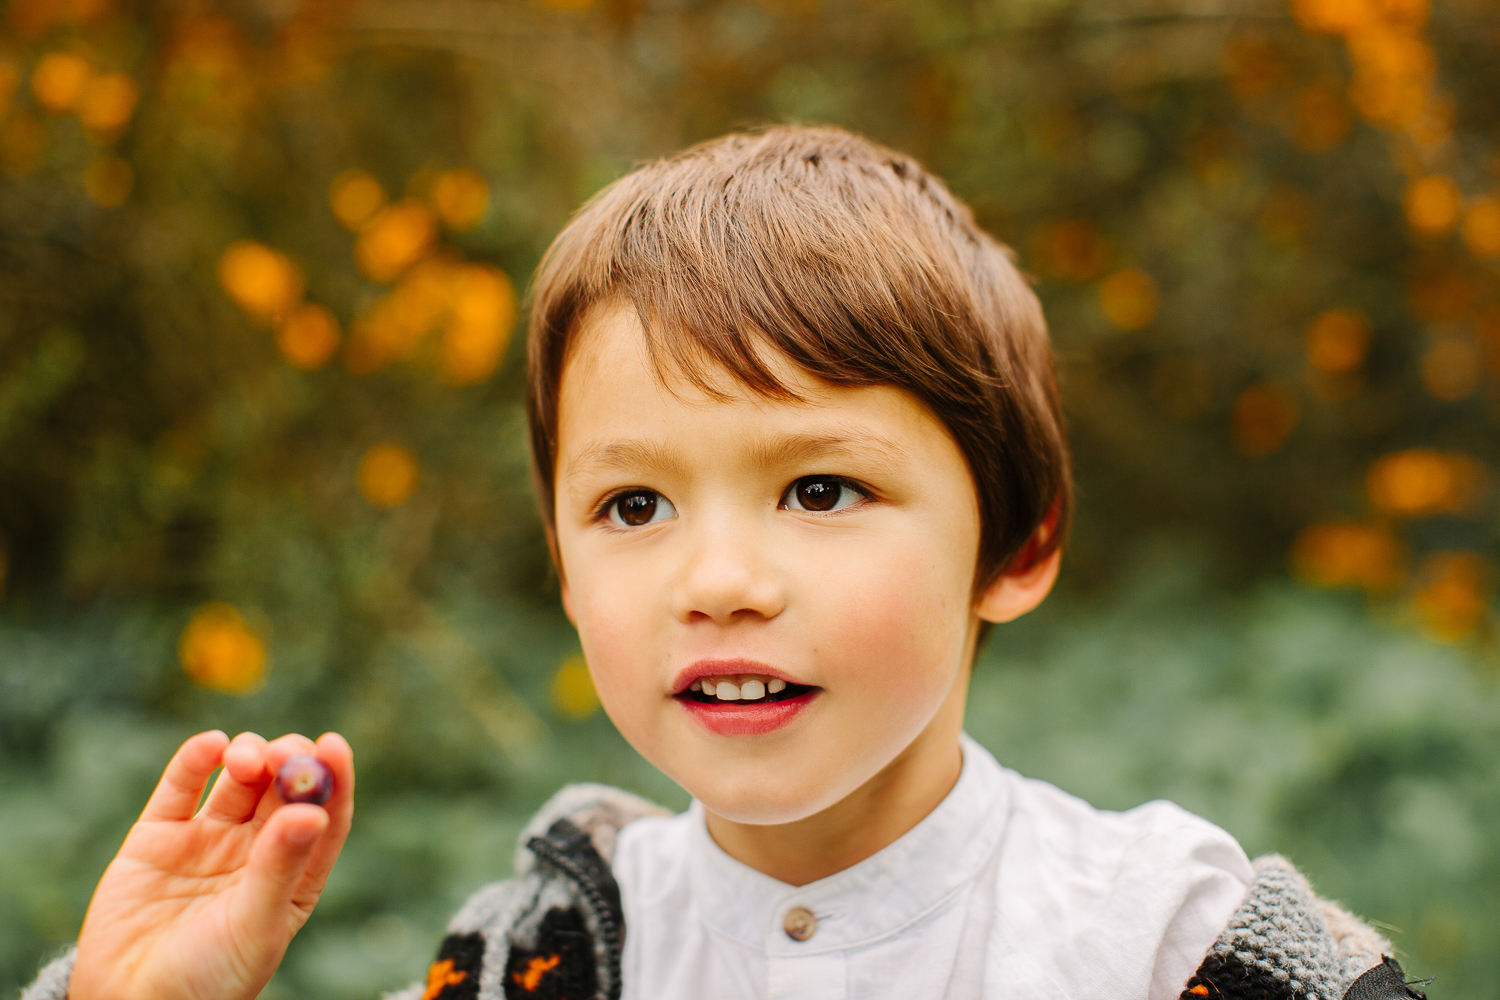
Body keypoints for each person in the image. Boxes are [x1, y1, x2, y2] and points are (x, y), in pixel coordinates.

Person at [26, 126, 1419, 1000]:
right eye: (633, 508)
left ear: (1016, 540)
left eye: (819, 488)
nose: (720, 579)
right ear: (565, 569)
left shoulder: (1180, 949)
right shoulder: (539, 962)